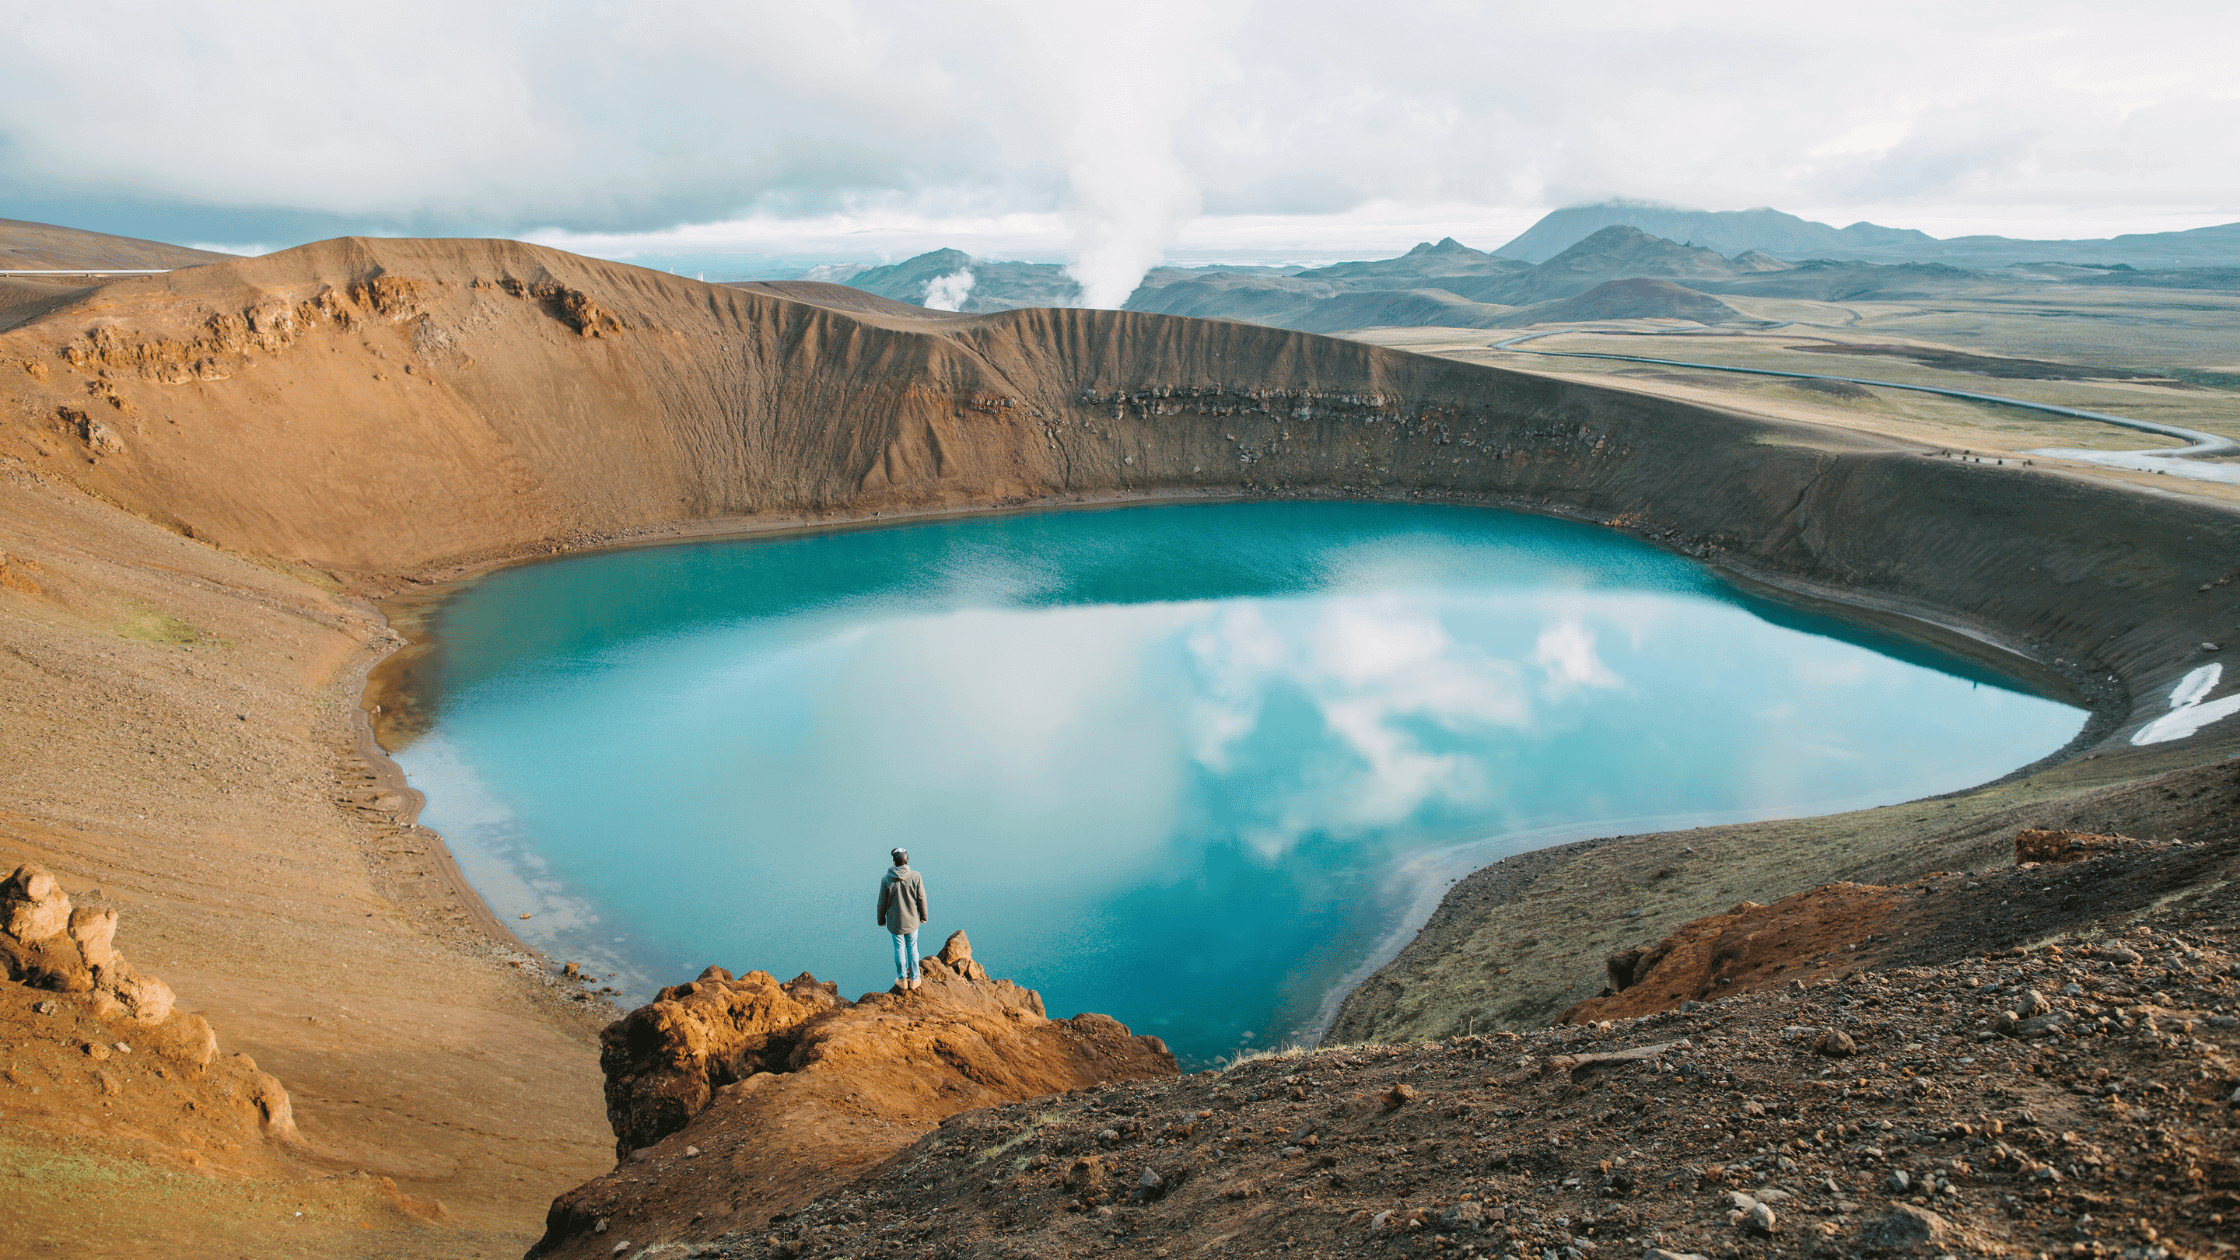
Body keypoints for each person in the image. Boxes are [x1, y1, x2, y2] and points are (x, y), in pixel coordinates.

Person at [876, 847, 929, 991]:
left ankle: (902, 979)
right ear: (906, 861)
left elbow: (882, 901)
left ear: (894, 862)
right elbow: (921, 898)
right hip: (912, 921)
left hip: (895, 923)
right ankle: (915, 979)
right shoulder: (916, 876)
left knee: (899, 949)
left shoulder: (886, 879)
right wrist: (923, 916)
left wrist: (881, 920)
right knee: (912, 948)